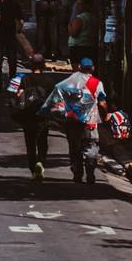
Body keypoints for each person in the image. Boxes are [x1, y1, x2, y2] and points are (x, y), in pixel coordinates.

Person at [43, 57, 106, 185]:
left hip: (72, 121)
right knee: (91, 146)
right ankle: (90, 171)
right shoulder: (96, 83)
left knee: (74, 147)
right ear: (92, 68)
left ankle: (77, 173)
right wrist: (105, 115)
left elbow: (57, 98)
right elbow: (102, 102)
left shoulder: (69, 82)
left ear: (79, 68)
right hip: (90, 121)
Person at [7, 71, 59, 179]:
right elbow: (54, 99)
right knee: (42, 142)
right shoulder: (49, 80)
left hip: (28, 116)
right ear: (43, 65)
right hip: (42, 116)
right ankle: (40, 162)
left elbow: (19, 95)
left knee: (30, 144)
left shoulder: (25, 79)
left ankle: (33, 168)